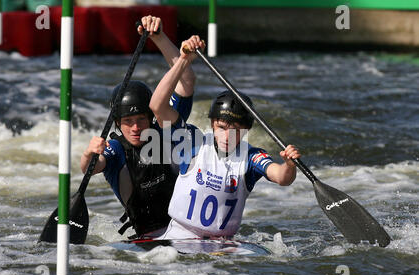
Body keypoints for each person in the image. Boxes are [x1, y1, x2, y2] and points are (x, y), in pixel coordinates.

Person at [148, 36, 302, 240]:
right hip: (179, 236)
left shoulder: (251, 157)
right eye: (221, 127)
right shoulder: (192, 141)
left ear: (247, 130)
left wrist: (289, 165)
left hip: (222, 247)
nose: (227, 136)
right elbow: (157, 106)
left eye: (236, 130)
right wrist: (184, 60)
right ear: (212, 124)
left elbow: (282, 178)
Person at [80, 16, 197, 239]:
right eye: (127, 122)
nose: (135, 128)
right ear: (117, 123)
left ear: (151, 118)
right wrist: (88, 153)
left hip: (188, 231)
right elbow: (91, 168)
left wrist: (160, 37)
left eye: (141, 120)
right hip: (149, 239)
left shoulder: (166, 129)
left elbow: (186, 81)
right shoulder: (115, 149)